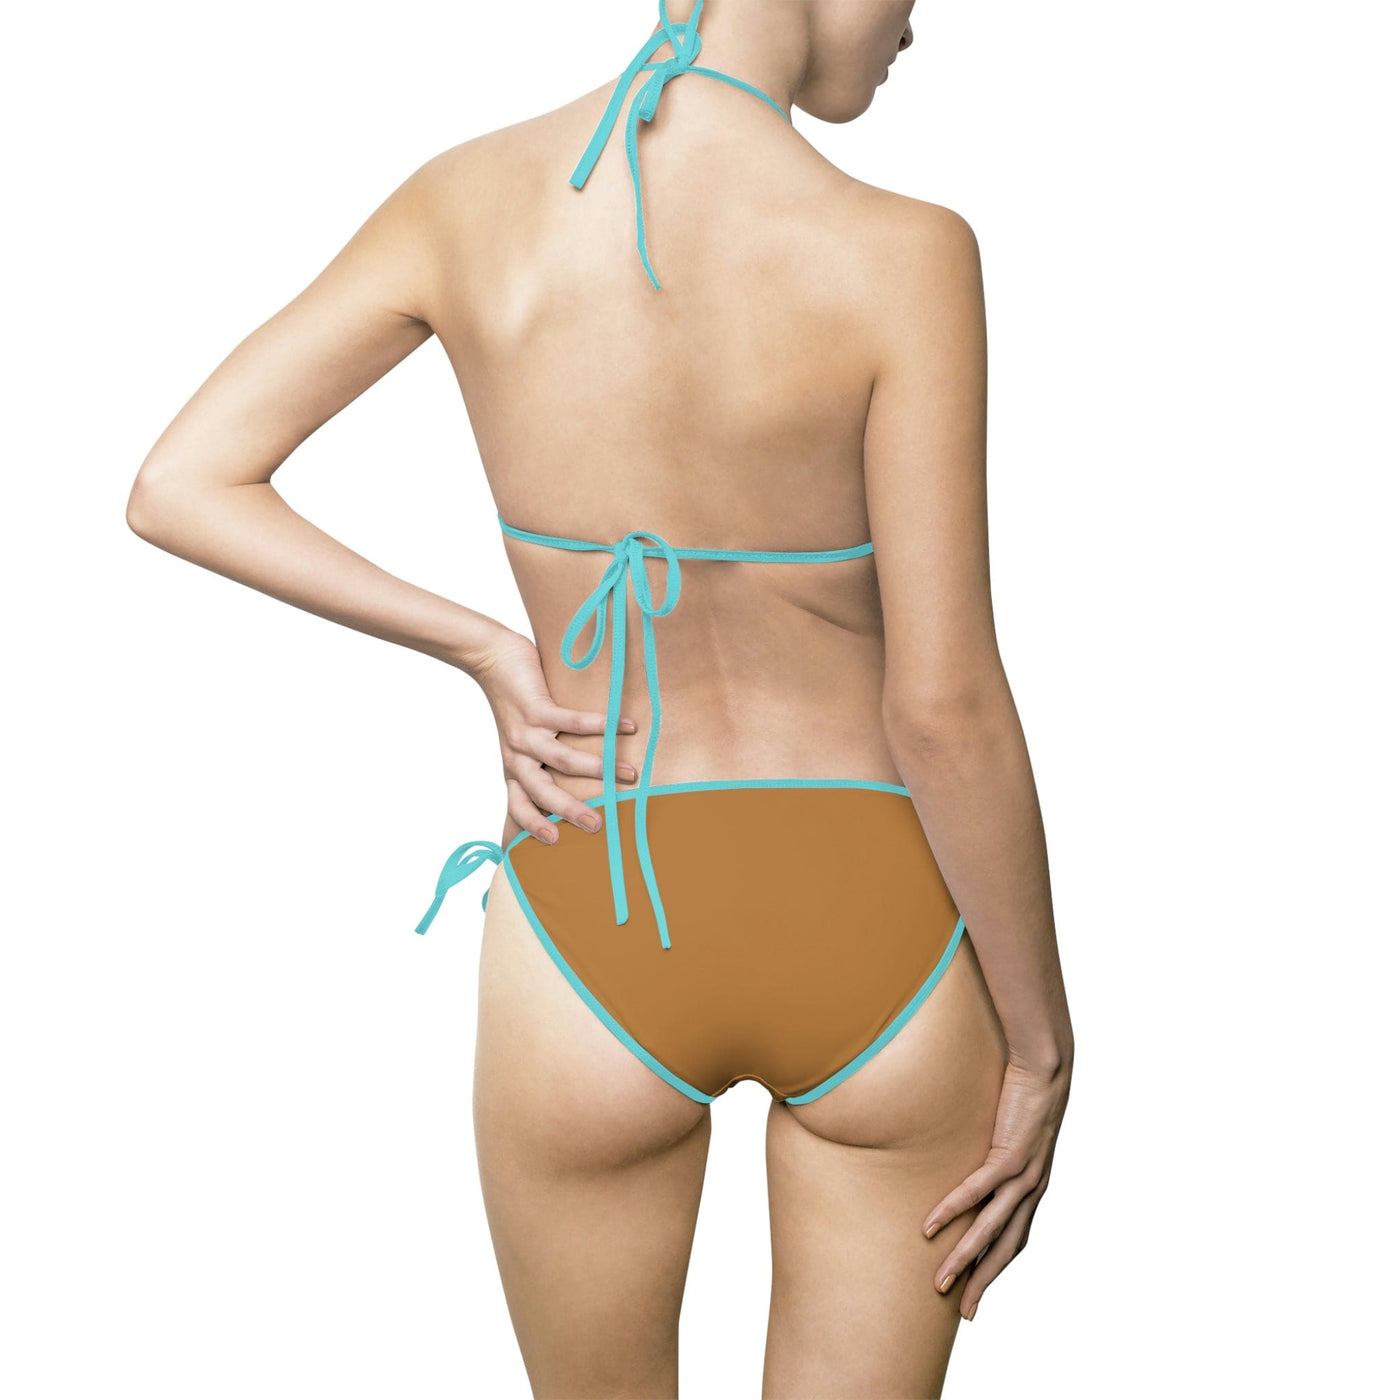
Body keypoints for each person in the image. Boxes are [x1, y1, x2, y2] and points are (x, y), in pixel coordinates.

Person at [126, 1, 1073, 1393]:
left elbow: (181, 482)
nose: (914, 23)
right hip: (879, 925)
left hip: (592, 906)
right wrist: (1041, 1045)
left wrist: (490, 650)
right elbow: (945, 711)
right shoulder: (907, 251)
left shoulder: (464, 202)